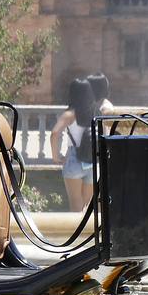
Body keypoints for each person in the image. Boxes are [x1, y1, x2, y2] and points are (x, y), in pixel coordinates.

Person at [50, 77, 99, 213]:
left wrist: (56, 156)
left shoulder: (70, 114)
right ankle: (90, 234)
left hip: (74, 159)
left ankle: (78, 235)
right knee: (88, 208)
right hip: (92, 161)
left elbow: (54, 133)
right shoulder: (95, 112)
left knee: (75, 206)